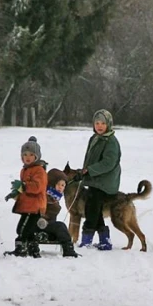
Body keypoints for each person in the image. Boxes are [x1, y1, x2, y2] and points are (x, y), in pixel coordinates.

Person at [77, 109, 120, 250]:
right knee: (94, 209)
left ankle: (86, 240)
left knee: (92, 210)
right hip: (94, 180)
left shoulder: (111, 141)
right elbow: (89, 158)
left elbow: (109, 163)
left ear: (108, 124)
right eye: (97, 123)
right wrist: (85, 171)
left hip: (105, 183)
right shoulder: (94, 138)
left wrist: (91, 170)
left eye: (103, 123)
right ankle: (104, 241)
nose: (99, 126)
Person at [4, 136, 47, 258]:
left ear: (36, 156)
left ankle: (21, 249)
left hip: (34, 206)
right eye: (25, 154)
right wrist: (15, 193)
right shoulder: (25, 170)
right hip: (27, 205)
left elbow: (37, 187)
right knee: (28, 229)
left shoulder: (39, 170)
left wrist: (23, 185)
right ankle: (33, 249)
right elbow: (23, 188)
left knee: (22, 229)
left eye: (31, 155)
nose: (27, 157)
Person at [36, 168, 80, 258]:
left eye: (63, 185)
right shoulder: (45, 196)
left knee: (59, 229)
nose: (61, 187)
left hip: (48, 225)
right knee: (61, 226)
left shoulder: (54, 197)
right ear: (51, 184)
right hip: (40, 225)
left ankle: (67, 247)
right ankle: (68, 250)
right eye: (58, 184)